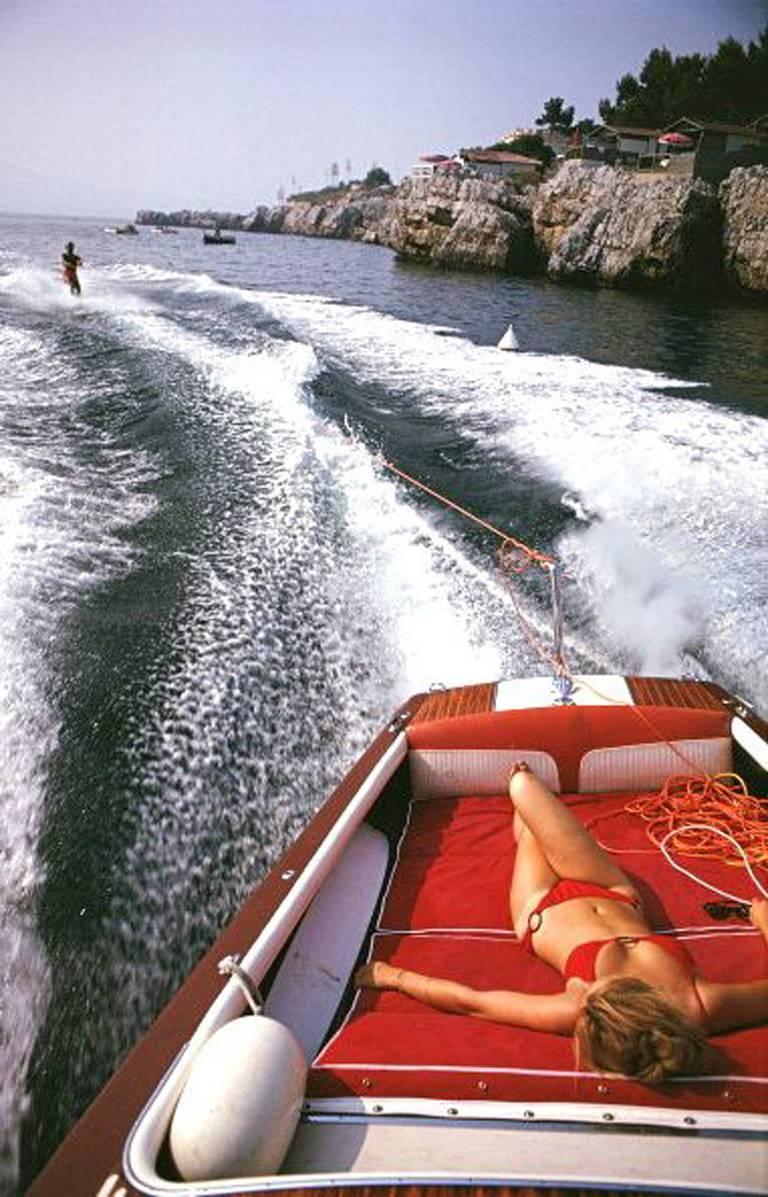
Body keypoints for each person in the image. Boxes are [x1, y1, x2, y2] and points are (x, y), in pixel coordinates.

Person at [357, 762, 768, 1084]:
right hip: (611, 890)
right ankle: (528, 811)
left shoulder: (579, 1007)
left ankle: (524, 820)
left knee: (523, 793)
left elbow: (472, 1002)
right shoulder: (702, 1006)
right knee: (526, 791)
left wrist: (392, 976)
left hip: (540, 907)